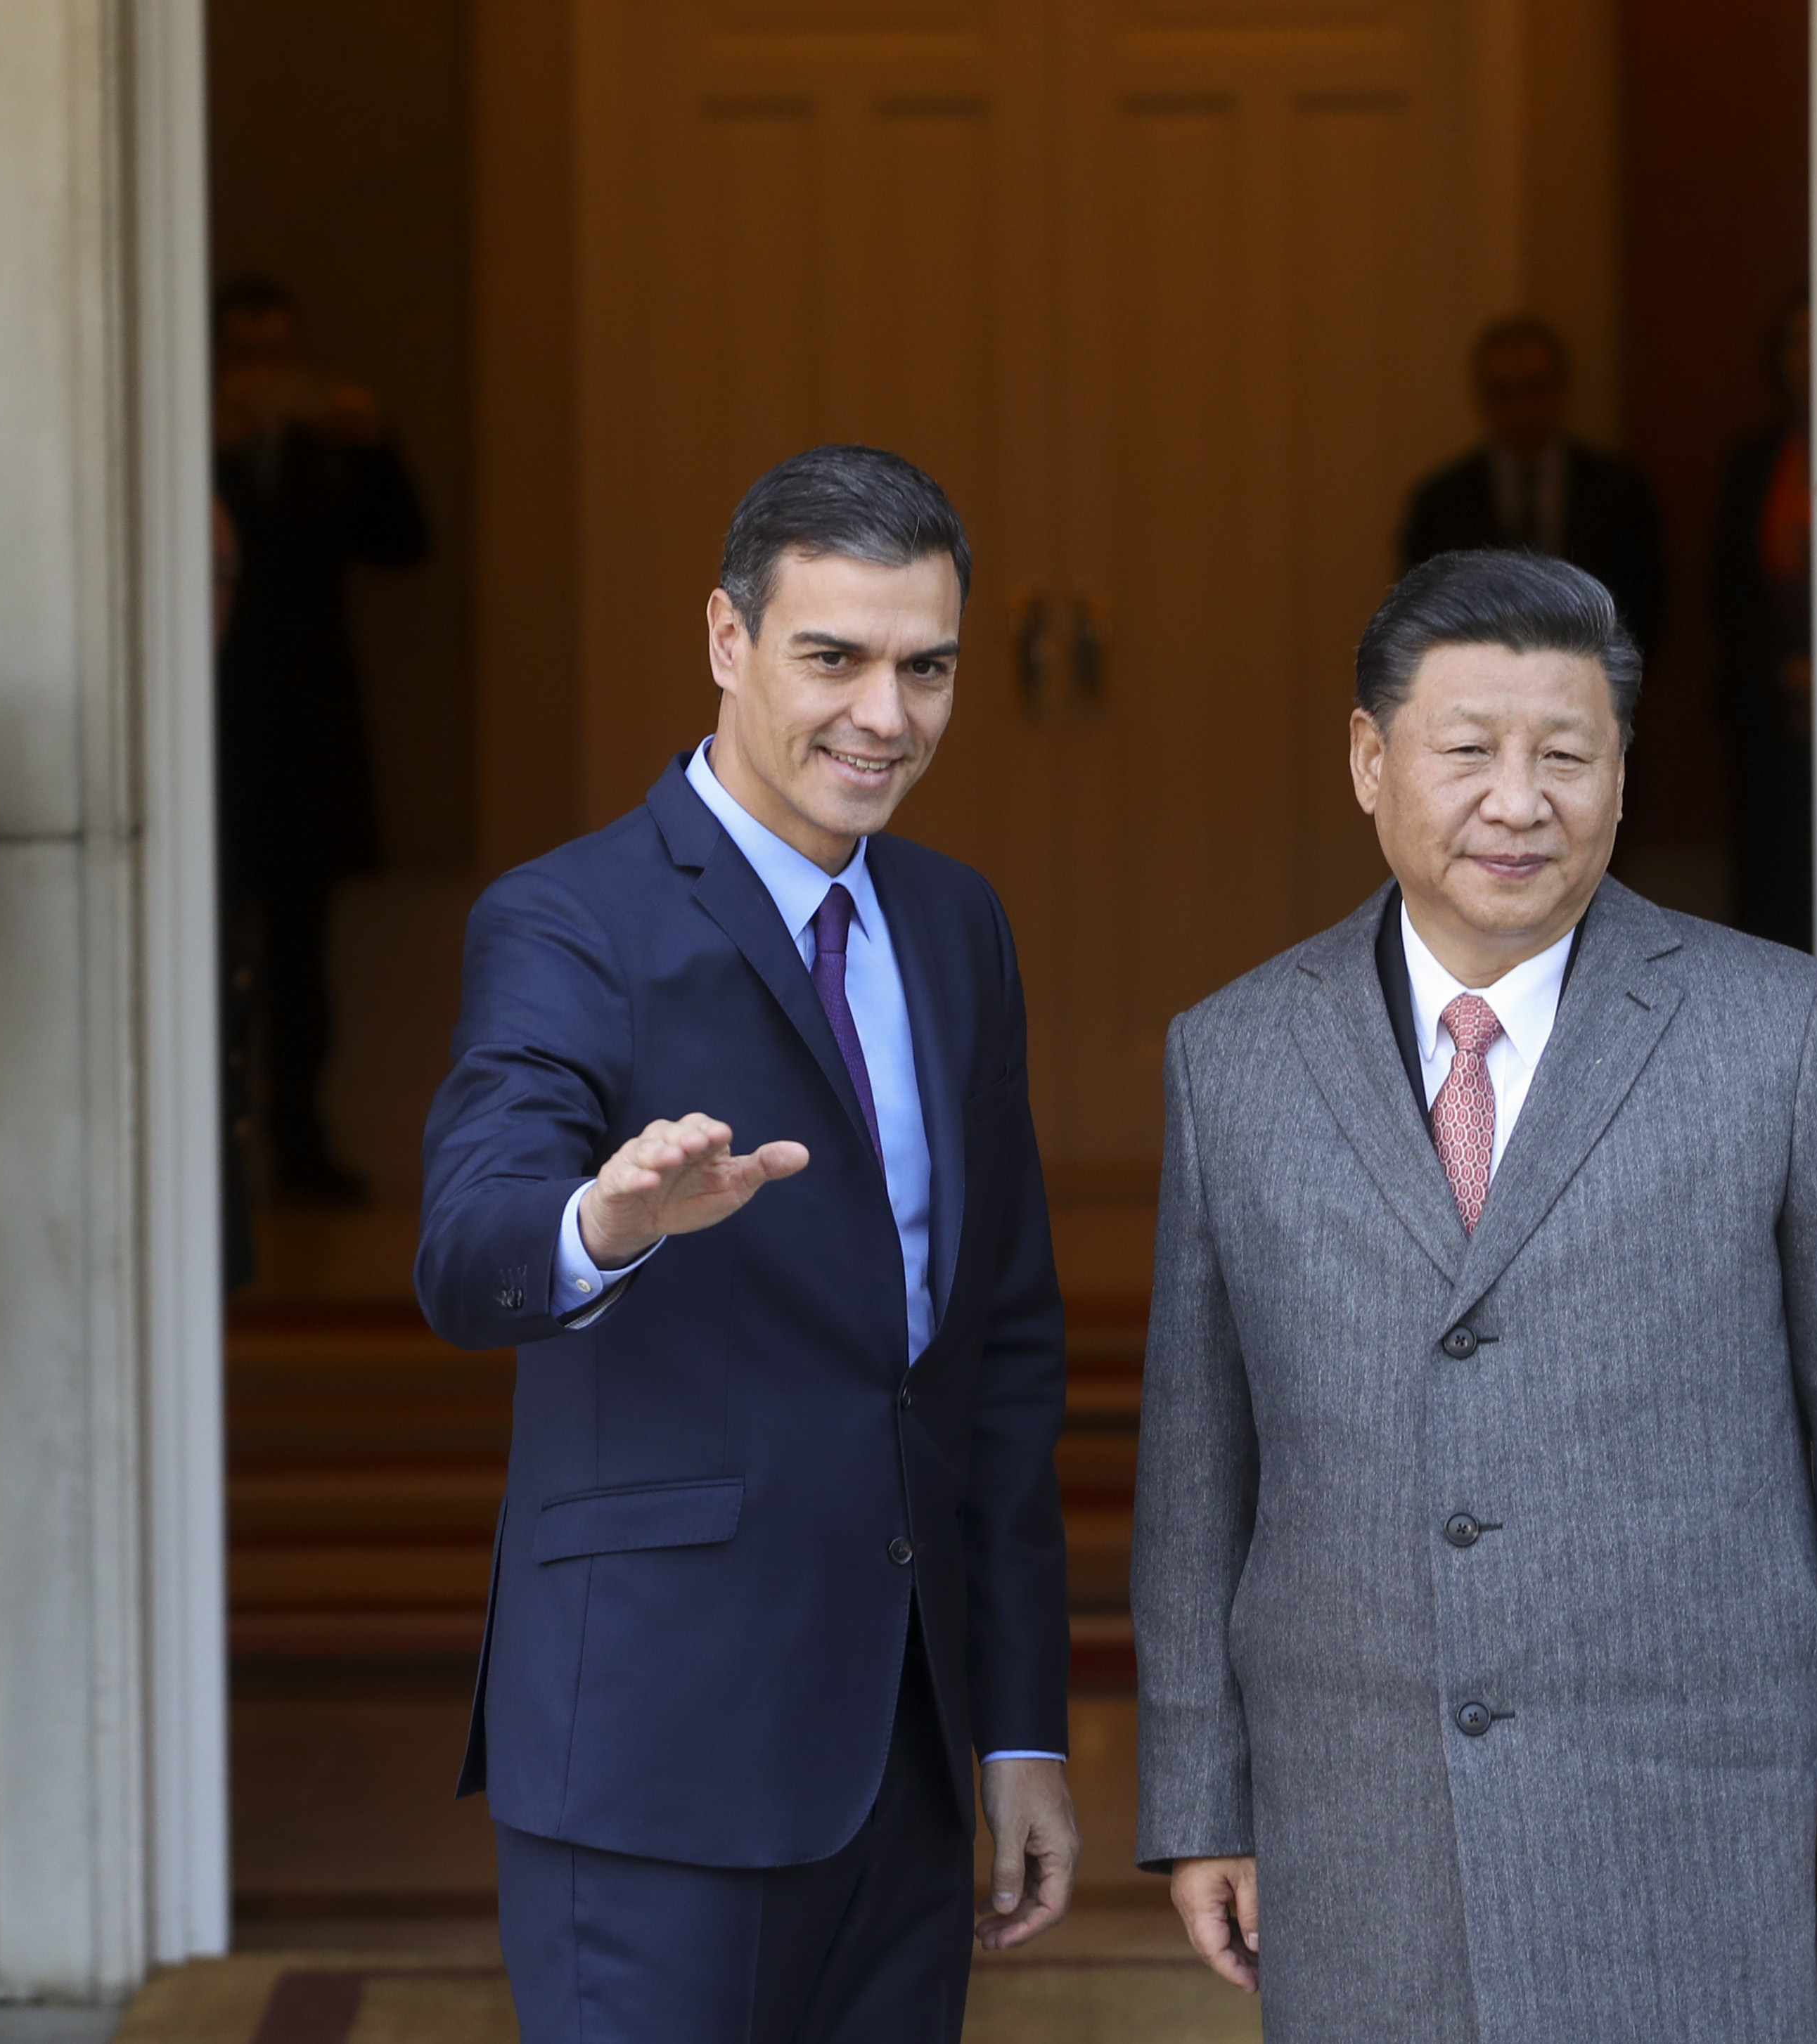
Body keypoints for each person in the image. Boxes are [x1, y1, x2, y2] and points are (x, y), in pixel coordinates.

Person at [1129, 548, 1817, 2040]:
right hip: (1365, 1833)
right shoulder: (1235, 1057)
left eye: (1563, 756)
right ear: (1365, 758)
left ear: (1620, 774)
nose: (1516, 801)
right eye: (1466, 751)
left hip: (1713, 1832)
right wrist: (1201, 1797)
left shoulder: (1778, 1031)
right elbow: (1198, 1472)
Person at [416, 446, 1079, 2040]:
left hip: (908, 1762)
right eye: (832, 658)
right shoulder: (570, 918)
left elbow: (998, 1353)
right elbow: (468, 1245)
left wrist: (1016, 1731)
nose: (885, 714)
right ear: (727, 639)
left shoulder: (956, 923)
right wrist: (603, 1223)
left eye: (927, 668)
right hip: (656, 1753)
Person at [212, 273, 430, 1204]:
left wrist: (374, 442)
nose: (266, 375)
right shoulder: (185, 439)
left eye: (279, 354)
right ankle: (210, 1148)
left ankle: (300, 1144)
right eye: (246, 355)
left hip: (306, 730)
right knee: (208, 942)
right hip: (213, 726)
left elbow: (403, 545)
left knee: (303, 958)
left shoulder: (325, 448)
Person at [1397, 315, 1666, 649]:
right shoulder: (1440, 505)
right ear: (1481, 398)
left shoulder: (1618, 491)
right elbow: (1423, 616)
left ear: (1561, 388)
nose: (1522, 410)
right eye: (1504, 394)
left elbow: (1646, 606)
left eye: (1534, 389)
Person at [1709, 287, 1813, 950]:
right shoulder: (1754, 462)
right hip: (1768, 712)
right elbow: (1725, 588)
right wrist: (1784, 669)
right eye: (1796, 343)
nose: (1808, 359)